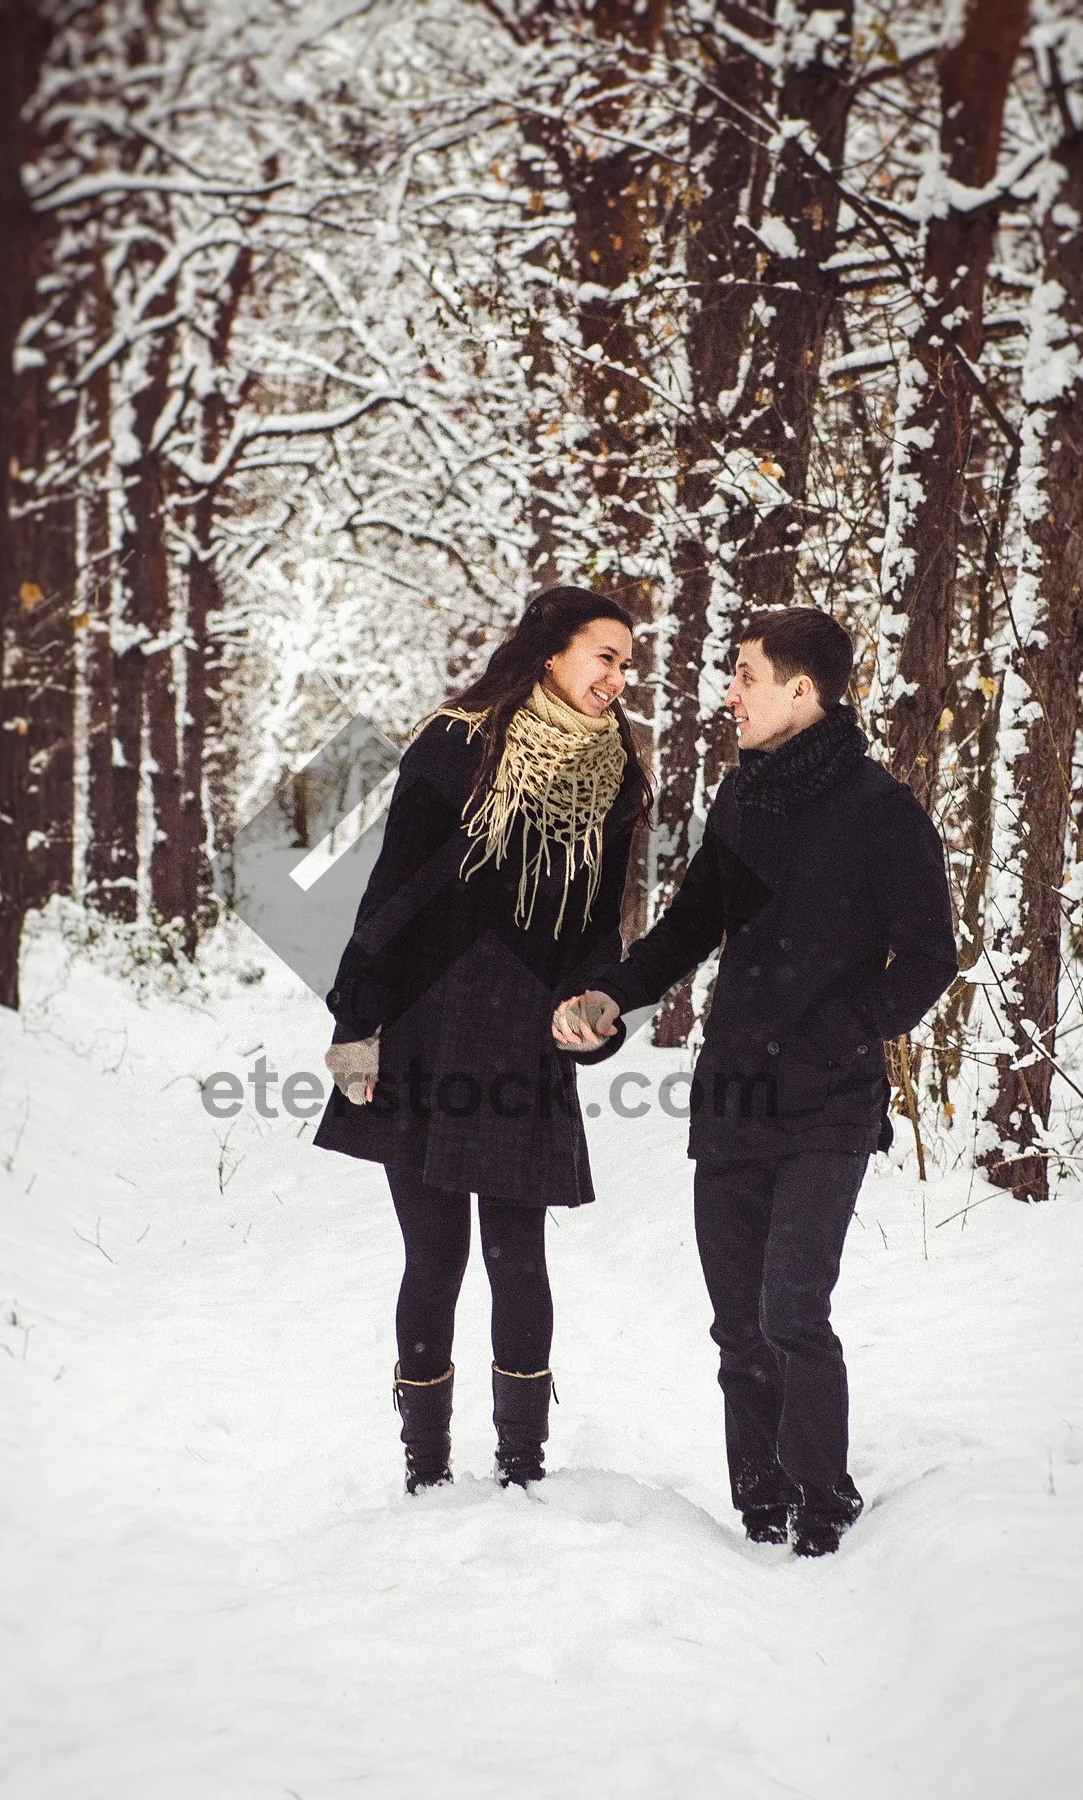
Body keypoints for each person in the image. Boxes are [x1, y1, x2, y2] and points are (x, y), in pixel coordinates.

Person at [552, 608, 958, 1557]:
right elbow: (691, 925)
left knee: (790, 1311)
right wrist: (613, 996)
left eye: (744, 677)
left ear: (801, 691)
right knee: (739, 1323)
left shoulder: (881, 811)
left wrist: (837, 1038)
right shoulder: (744, 803)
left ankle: (824, 1501)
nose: (728, 694)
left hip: (827, 1106)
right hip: (733, 1098)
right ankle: (759, 1502)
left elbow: (929, 957)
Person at [314, 588, 653, 1495]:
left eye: (627, 663)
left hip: (523, 1041)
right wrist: (358, 1022)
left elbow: (598, 922)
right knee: (435, 1255)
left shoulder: (619, 771)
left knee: (518, 1255)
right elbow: (391, 892)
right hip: (425, 1027)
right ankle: (426, 1468)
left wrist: (592, 1005)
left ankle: (522, 1470)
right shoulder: (457, 743)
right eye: (605, 656)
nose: (620, 678)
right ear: (551, 652)